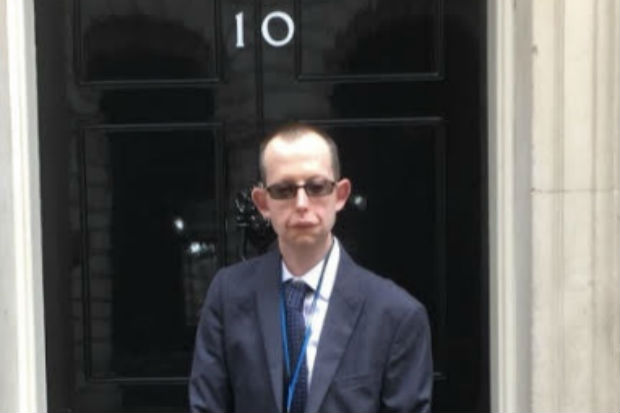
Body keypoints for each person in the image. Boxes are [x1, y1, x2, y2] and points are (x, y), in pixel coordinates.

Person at [189, 123, 433, 413]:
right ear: (263, 202)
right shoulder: (228, 295)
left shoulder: (397, 315)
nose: (302, 203)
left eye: (317, 187)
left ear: (340, 195)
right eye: (284, 190)